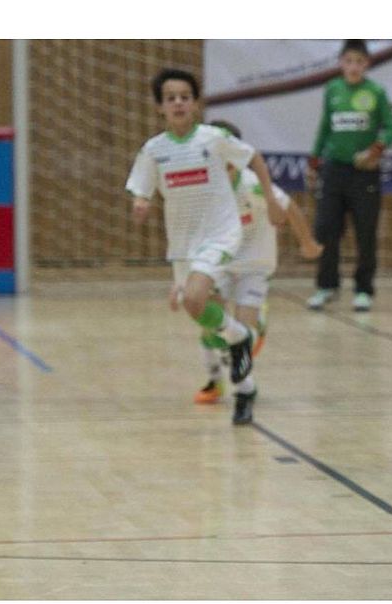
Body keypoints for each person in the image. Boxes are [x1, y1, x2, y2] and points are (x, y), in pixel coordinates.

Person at [127, 68, 286, 406]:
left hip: (220, 233)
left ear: (195, 103)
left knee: (196, 296)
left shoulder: (213, 138)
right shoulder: (154, 150)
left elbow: (253, 157)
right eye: (171, 98)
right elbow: (142, 189)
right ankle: (244, 373)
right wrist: (141, 204)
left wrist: (271, 199)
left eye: (185, 97)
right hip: (183, 244)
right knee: (198, 310)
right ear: (160, 107)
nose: (178, 103)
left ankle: (237, 347)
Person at [183, 119, 322, 425]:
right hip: (219, 263)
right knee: (209, 320)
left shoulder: (253, 184)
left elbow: (289, 208)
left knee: (244, 335)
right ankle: (215, 380)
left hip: (253, 266)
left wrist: (308, 242)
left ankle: (245, 384)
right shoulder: (203, 188)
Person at [307, 39, 392, 313]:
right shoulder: (333, 89)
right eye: (349, 61)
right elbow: (325, 126)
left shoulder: (376, 92)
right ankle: (327, 286)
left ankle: (363, 289)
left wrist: (376, 149)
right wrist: (314, 158)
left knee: (365, 232)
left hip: (364, 174)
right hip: (333, 169)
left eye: (359, 61)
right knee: (326, 229)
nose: (353, 67)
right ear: (341, 63)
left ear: (367, 64)